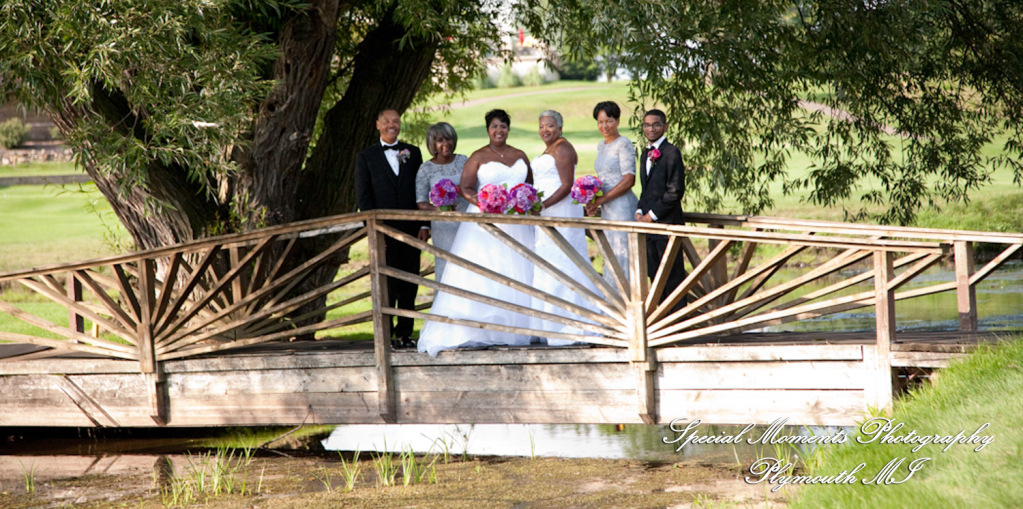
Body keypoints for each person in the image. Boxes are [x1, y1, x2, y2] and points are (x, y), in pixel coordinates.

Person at [417, 109, 536, 356]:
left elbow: (530, 186)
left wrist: (524, 202)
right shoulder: (478, 156)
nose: (499, 131)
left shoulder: (520, 155)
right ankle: (480, 329)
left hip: (517, 224)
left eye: (503, 126)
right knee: (487, 270)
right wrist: (485, 203)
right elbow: (466, 188)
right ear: (488, 130)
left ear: (508, 128)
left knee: (518, 268)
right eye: (494, 126)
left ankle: (520, 326)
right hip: (485, 222)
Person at [354, 108, 425, 349]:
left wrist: (424, 224)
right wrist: (374, 230)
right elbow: (364, 199)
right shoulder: (365, 157)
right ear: (377, 124)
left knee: (410, 282)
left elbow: (421, 192)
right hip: (383, 232)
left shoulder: (412, 153)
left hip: (412, 231)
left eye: (395, 121)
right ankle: (385, 335)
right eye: (386, 121)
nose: (391, 125)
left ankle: (405, 334)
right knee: (387, 284)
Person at [530, 110, 601, 345]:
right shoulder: (548, 149)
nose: (545, 130)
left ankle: (574, 322)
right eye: (541, 127)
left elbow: (566, 184)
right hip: (546, 211)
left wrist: (542, 205)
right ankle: (549, 323)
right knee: (549, 260)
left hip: (560, 209)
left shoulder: (563, 148)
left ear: (560, 128)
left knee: (566, 260)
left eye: (549, 126)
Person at [635, 108, 687, 310]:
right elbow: (645, 189)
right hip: (649, 229)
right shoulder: (644, 154)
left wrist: (652, 215)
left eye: (656, 124)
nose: (651, 128)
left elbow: (674, 191)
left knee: (672, 276)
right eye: (647, 125)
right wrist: (639, 211)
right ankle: (662, 320)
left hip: (668, 226)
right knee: (655, 275)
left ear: (665, 127)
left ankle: (677, 323)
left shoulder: (672, 152)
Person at [586, 101, 639, 287]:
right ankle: (612, 301)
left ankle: (626, 303)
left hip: (622, 206)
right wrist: (591, 196)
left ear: (617, 121)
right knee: (610, 253)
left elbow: (629, 180)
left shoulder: (623, 144)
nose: (604, 126)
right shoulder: (601, 146)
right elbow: (604, 178)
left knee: (622, 253)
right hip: (607, 207)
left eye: (608, 121)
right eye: (600, 122)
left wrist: (602, 199)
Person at [415, 122, 469, 280]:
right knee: (447, 270)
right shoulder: (426, 169)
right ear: (433, 143)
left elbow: (475, 189)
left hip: (467, 224)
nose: (446, 144)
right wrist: (437, 210)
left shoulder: (464, 161)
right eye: (440, 140)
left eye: (449, 139)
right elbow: (421, 202)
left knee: (469, 267)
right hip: (443, 229)